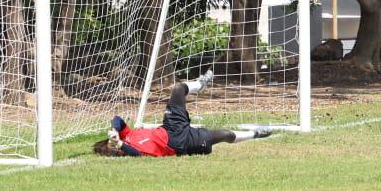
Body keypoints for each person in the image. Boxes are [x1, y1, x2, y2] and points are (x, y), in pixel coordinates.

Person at [92, 71, 270, 157]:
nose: (113, 145)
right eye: (112, 149)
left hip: (170, 126)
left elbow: (117, 120)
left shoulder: (127, 135)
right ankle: (256, 134)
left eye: (109, 144)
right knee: (225, 134)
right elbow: (135, 153)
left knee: (178, 89)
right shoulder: (134, 151)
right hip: (179, 143)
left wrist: (115, 131)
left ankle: (200, 84)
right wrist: (121, 145)